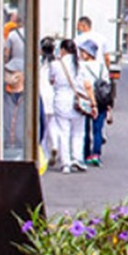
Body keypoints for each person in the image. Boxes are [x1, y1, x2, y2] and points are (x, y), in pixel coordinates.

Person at [48, 37, 88, 173]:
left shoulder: (55, 64)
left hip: (61, 100)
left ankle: (66, 163)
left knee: (63, 132)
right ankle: (78, 158)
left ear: (63, 50)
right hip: (78, 101)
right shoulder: (80, 64)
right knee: (78, 132)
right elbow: (85, 84)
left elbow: (51, 80)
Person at [78, 37, 111, 166]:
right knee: (98, 129)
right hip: (102, 100)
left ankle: (86, 154)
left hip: (87, 99)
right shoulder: (102, 67)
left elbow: (83, 84)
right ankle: (96, 154)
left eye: (83, 51)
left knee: (85, 129)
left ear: (88, 53)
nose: (81, 54)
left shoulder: (81, 66)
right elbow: (107, 83)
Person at [2, 8, 27, 152]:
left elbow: (6, 53)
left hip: (13, 68)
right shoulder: (32, 34)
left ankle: (10, 135)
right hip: (27, 68)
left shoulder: (12, 35)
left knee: (10, 95)